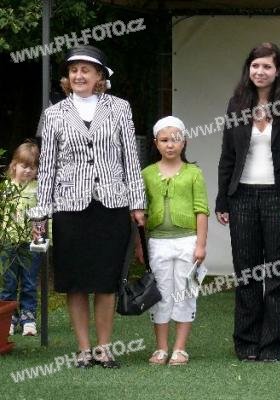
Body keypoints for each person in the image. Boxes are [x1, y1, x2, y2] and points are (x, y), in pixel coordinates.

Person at [31, 45, 146, 368]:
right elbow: (48, 166)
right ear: (67, 77)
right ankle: (83, 349)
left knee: (107, 281)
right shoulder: (54, 113)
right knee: (75, 281)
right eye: (73, 70)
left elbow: (130, 158)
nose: (78, 76)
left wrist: (137, 203)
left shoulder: (120, 108)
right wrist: (41, 211)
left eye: (86, 70)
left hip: (112, 204)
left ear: (100, 76)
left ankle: (104, 348)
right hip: (70, 207)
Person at [216, 43, 280, 361]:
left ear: (277, 71)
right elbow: (228, 155)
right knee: (247, 272)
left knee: (277, 273)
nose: (260, 72)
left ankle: (272, 344)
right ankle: (246, 342)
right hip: (241, 197)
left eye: (267, 66)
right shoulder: (237, 104)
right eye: (255, 66)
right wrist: (222, 200)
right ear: (248, 69)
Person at [139, 116, 209, 366]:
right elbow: (140, 213)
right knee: (160, 293)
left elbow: (201, 210)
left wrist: (200, 245)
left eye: (175, 139)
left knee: (185, 292)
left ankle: (180, 348)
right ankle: (161, 348)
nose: (170, 144)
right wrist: (139, 245)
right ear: (156, 143)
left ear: (184, 142)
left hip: (188, 241)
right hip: (157, 242)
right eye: (164, 140)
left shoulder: (194, 173)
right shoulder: (147, 174)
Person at [0, 140, 41, 337]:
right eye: (24, 166)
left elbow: (45, 215)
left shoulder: (38, 188)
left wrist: (45, 236)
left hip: (31, 244)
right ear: (14, 165)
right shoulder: (6, 188)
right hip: (8, 242)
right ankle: (8, 318)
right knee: (8, 282)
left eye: (32, 167)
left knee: (29, 282)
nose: (28, 170)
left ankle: (28, 318)